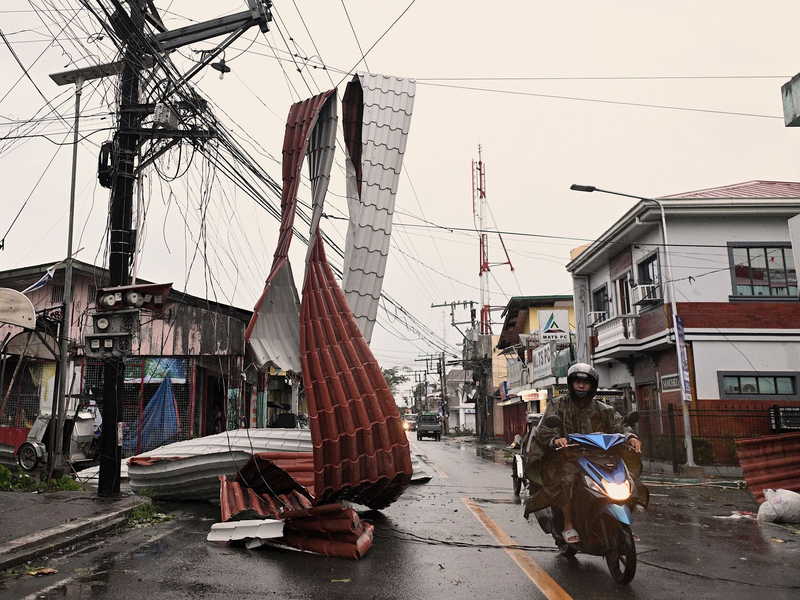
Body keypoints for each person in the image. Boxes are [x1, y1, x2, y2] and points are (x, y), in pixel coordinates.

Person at [524, 363, 645, 545]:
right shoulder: (557, 405)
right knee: (566, 479)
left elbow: (620, 425)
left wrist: (630, 437)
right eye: (578, 382)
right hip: (567, 458)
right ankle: (568, 523)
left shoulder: (603, 409)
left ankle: (621, 523)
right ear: (571, 384)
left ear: (592, 386)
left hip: (600, 458)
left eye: (585, 383)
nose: (581, 386)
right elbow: (544, 430)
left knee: (629, 481)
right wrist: (556, 439)